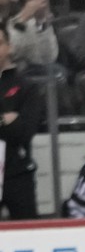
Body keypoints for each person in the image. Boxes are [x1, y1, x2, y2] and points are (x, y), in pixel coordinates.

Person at [0, 28, 42, 219]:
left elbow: (26, 131)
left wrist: (14, 124)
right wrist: (5, 119)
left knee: (29, 231)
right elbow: (14, 125)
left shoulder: (26, 86)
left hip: (17, 173)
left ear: (9, 47)